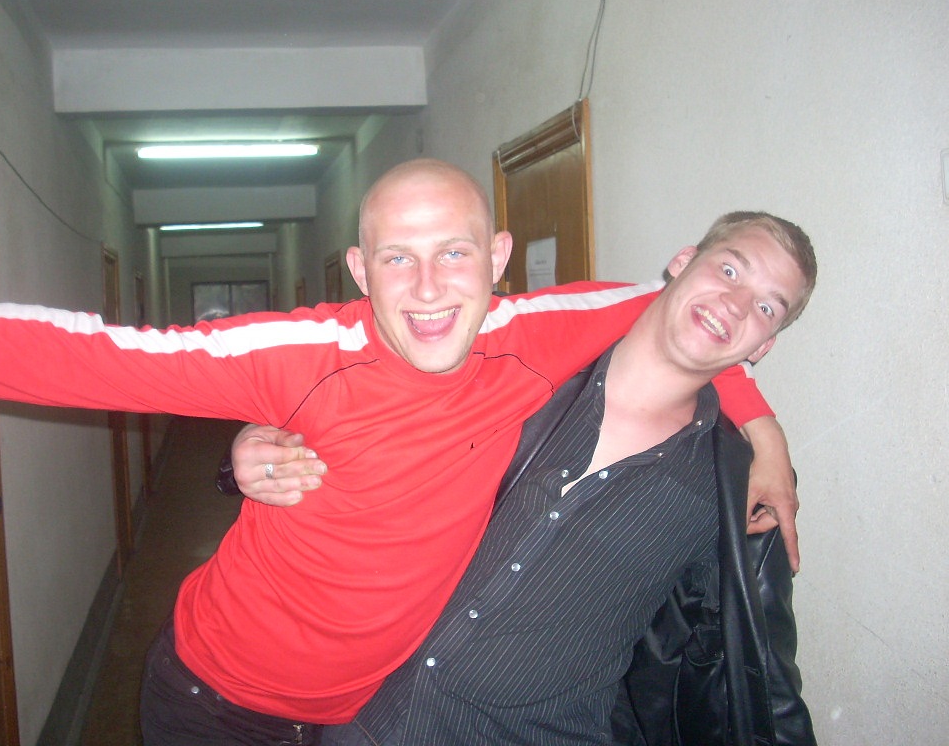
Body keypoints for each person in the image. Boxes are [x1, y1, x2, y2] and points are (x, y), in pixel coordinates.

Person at [0, 159, 787, 745]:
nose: (428, 288)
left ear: (496, 259)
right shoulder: (299, 356)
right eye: (397, 258)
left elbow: (695, 319)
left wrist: (763, 432)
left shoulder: (538, 334)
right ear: (360, 270)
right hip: (214, 703)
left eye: (454, 253)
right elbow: (89, 356)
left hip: (362, 716)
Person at [228, 212, 818, 745]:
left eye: (767, 307)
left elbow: (754, 671)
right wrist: (254, 452)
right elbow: (350, 398)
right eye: (729, 270)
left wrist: (762, 435)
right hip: (366, 720)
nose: (735, 304)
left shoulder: (735, 489)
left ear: (763, 345)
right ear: (683, 263)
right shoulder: (516, 370)